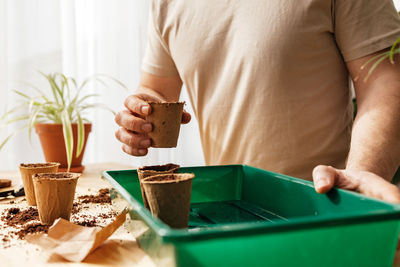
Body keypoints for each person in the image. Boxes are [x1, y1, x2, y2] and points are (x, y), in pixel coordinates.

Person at [115, 0, 400, 203]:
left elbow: (386, 83)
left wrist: (359, 192)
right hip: (231, 214)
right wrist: (141, 112)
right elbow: (157, 90)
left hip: (324, 212)